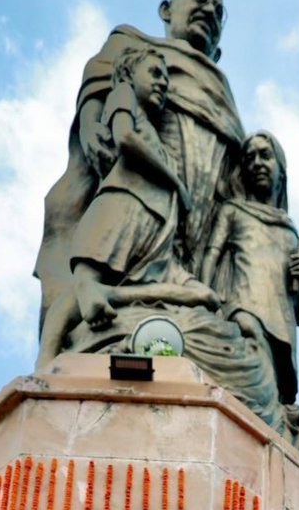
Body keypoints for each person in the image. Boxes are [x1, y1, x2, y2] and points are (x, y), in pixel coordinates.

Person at [34, 0, 245, 334]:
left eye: (219, 10)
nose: (209, 9)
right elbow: (99, 85)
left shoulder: (221, 87)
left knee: (196, 292)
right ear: (166, 10)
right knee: (113, 262)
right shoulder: (133, 46)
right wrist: (90, 125)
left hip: (196, 219)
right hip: (137, 192)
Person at [36, 46, 218, 366]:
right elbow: (125, 139)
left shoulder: (153, 131)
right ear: (127, 74)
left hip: (152, 222)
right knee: (84, 285)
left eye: (166, 79)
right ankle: (46, 361)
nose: (162, 83)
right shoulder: (122, 94)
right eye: (155, 73)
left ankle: (116, 297)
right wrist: (176, 183)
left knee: (204, 297)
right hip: (122, 206)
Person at [199, 131, 299, 404]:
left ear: (280, 169)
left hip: (280, 323)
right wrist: (205, 298)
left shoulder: (290, 231)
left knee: (271, 389)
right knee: (252, 364)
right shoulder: (233, 211)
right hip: (242, 307)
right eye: (250, 158)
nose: (257, 163)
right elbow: (211, 255)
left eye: (265, 155)